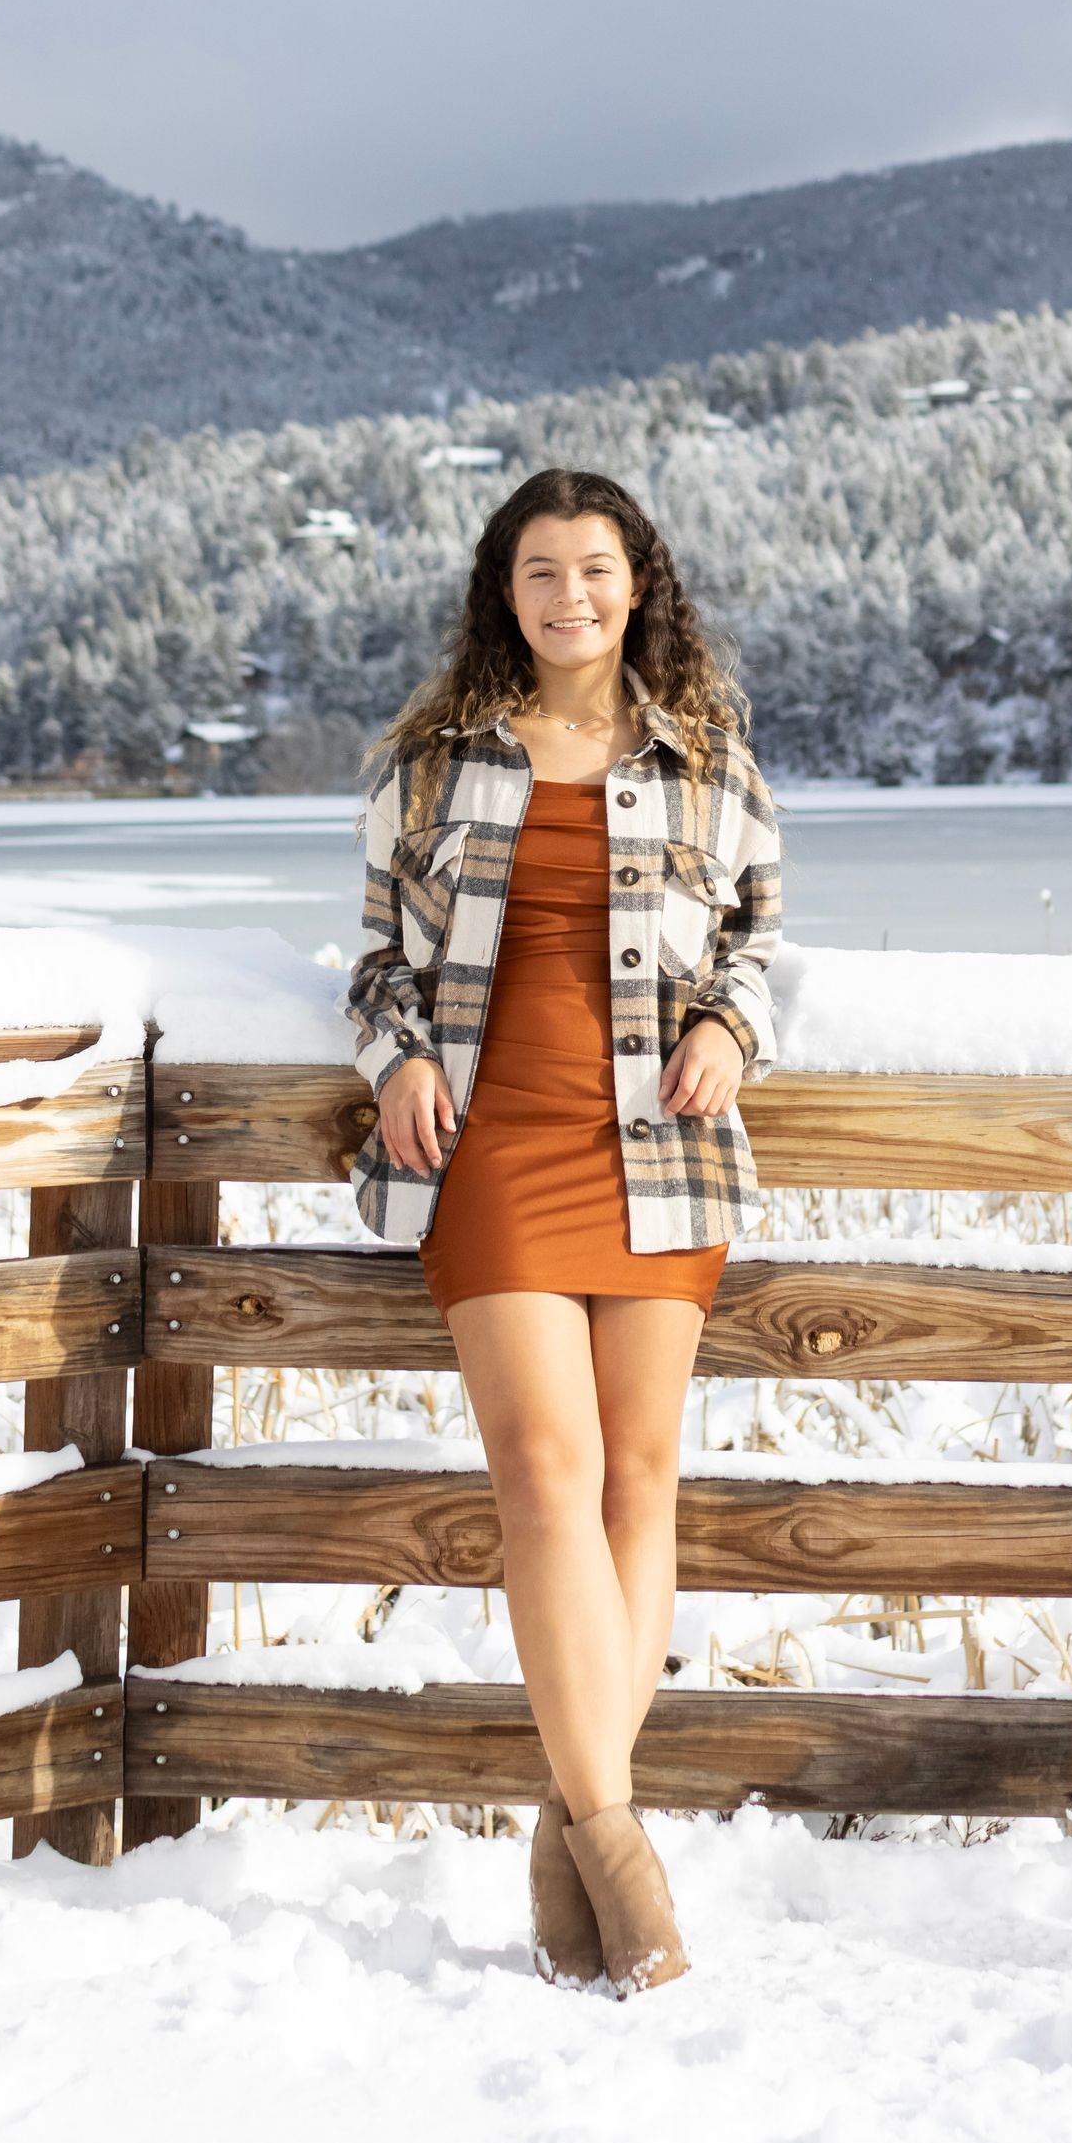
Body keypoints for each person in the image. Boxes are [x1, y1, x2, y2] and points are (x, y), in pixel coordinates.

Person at [344, 466, 782, 1996]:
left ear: (639, 583)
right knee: (547, 1468)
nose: (571, 597)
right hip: (494, 1147)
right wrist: (394, 1053)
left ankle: (566, 1821)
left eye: (597, 569)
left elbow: (761, 938)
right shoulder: (430, 757)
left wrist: (733, 1019)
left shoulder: (707, 756)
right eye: (542, 571)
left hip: (663, 1150)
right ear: (504, 591)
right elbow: (376, 956)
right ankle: (620, 1843)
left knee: (640, 1478)